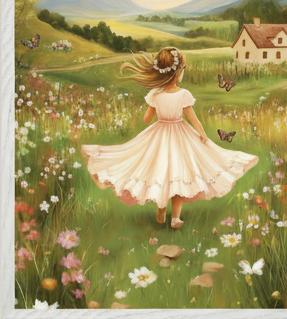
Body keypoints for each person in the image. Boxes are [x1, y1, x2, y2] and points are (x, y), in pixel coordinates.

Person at [81, 46, 258, 228]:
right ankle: (175, 218)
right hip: (181, 135)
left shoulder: (155, 94)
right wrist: (202, 134)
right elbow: (192, 118)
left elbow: (147, 119)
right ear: (177, 72)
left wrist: (156, 109)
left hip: (159, 135)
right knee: (178, 172)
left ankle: (161, 209)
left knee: (163, 171)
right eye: (183, 69)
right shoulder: (183, 94)